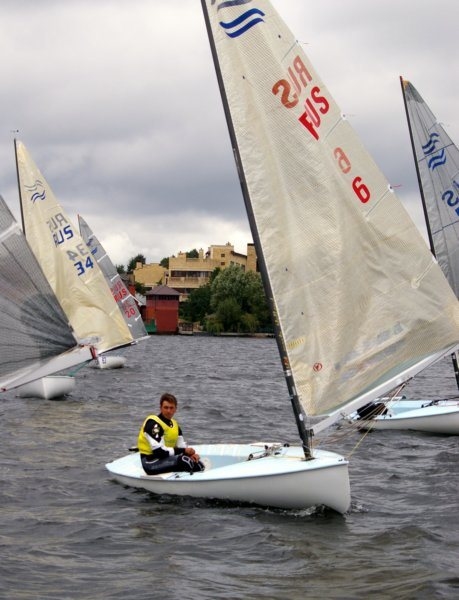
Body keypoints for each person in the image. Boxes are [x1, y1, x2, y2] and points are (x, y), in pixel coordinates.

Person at [137, 392, 205, 475]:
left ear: (175, 409)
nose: (168, 411)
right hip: (150, 462)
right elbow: (159, 452)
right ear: (160, 408)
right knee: (185, 461)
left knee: (198, 463)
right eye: (166, 407)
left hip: (165, 458)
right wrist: (184, 451)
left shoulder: (175, 425)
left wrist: (191, 454)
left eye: (171, 408)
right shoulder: (153, 424)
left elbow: (181, 447)